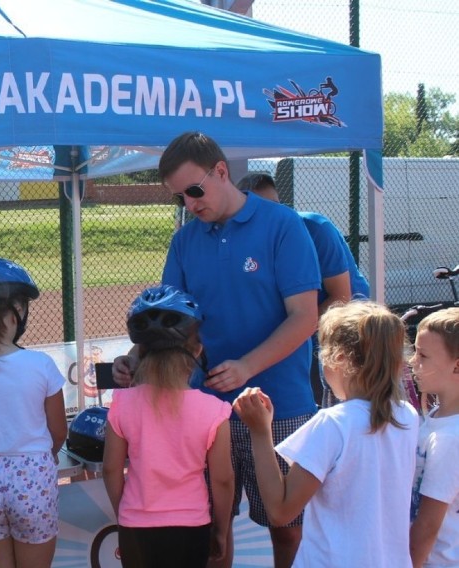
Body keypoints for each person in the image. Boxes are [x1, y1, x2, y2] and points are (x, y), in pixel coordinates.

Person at [114, 132, 320, 568]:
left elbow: (305, 317)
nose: (189, 205)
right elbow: (170, 321)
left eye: (194, 190)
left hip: (280, 407)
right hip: (201, 410)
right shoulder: (186, 241)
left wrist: (247, 366)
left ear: (221, 172)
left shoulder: (283, 225)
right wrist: (134, 360)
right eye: (179, 198)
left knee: (287, 533)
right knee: (213, 538)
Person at [233, 301, 419, 567]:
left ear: (339, 358)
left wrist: (260, 432)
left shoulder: (332, 424)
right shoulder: (407, 416)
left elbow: (281, 510)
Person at [102, 285, 234, 568]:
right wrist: (221, 530)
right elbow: (223, 480)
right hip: (192, 526)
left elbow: (111, 469)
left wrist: (124, 513)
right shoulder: (214, 411)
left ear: (141, 352)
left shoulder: (122, 403)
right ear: (197, 349)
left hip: (135, 526)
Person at [0, 258, 67, 568]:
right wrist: (45, 455)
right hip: (33, 475)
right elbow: (58, 431)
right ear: (18, 310)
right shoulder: (41, 364)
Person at [238, 172, 371, 406]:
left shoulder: (315, 228)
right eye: (261, 211)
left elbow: (341, 297)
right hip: (311, 326)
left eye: (277, 207)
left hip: (347, 327)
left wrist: (292, 332)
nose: (274, 216)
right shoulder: (244, 239)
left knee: (339, 401)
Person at [409, 308, 459, 567]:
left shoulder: (450, 438)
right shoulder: (439, 415)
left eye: (423, 355)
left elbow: (427, 525)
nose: (413, 361)